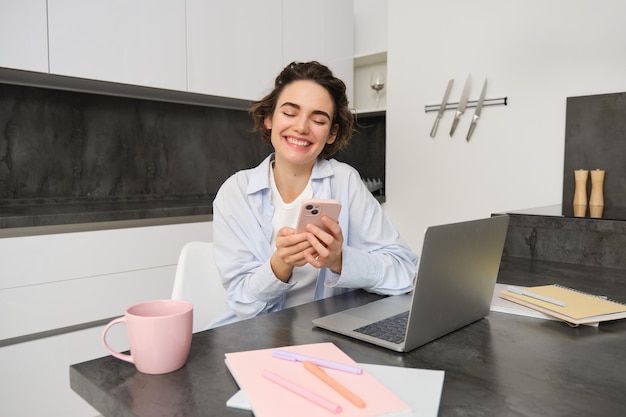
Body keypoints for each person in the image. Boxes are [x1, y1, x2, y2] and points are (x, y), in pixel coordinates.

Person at [211, 61, 417, 326]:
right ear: (269, 118)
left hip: (328, 333)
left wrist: (339, 259)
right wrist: (280, 264)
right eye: (290, 113)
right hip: (254, 335)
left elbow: (404, 272)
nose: (302, 127)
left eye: (318, 119)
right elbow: (242, 302)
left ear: (331, 134)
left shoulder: (345, 182)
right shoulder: (235, 193)